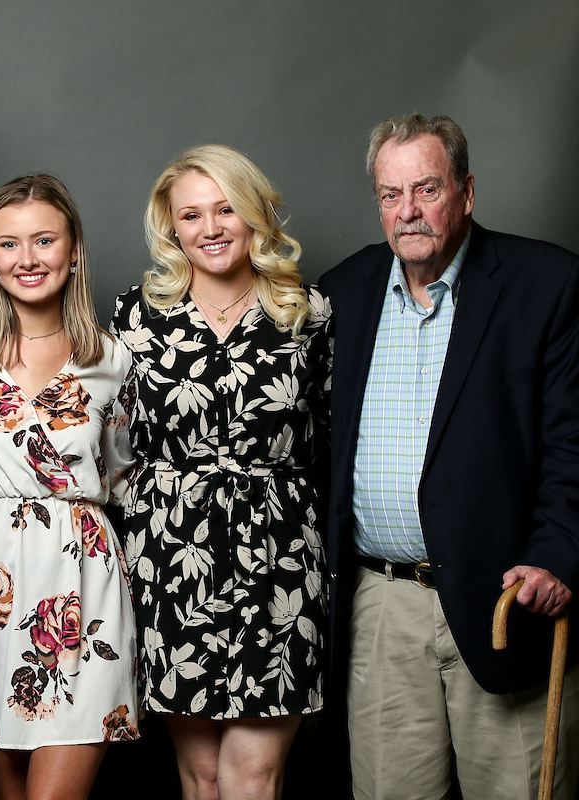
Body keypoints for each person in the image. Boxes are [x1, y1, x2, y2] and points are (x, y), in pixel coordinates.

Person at [318, 112, 579, 800]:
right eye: (390, 194)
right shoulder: (341, 293)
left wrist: (557, 555)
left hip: (506, 601)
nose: (407, 211)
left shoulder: (546, 284)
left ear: (466, 191)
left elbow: (573, 446)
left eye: (426, 189)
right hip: (380, 604)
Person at [109, 144, 331, 800]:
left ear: (255, 213)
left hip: (280, 558)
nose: (210, 227)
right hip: (172, 557)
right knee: (202, 777)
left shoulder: (308, 313)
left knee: (252, 774)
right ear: (171, 227)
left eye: (226, 208)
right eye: (192, 214)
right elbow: (110, 441)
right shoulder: (136, 317)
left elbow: (334, 436)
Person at [0, 175, 140, 799]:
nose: (27, 259)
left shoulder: (112, 359)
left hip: (84, 588)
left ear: (73, 251)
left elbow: (124, 477)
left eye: (44, 240)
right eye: (9, 243)